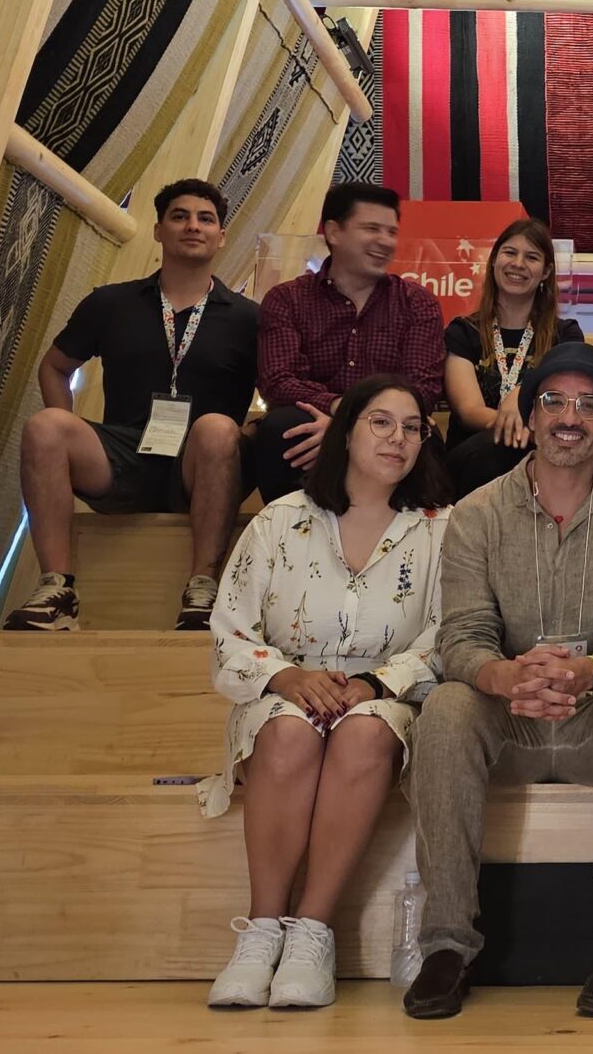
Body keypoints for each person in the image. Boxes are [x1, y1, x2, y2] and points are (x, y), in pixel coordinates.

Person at [403, 343, 593, 1021]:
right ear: (529, 416)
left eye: (589, 405)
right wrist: (504, 675)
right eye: (553, 401)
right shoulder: (476, 513)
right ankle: (446, 945)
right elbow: (461, 636)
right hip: (509, 717)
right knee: (446, 707)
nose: (569, 417)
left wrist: (591, 670)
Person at [200, 376, 454, 1010]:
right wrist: (288, 678)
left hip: (386, 695)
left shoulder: (441, 530)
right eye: (381, 422)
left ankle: (312, 934)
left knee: (364, 732)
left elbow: (449, 634)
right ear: (345, 431)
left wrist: (374, 684)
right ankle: (261, 932)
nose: (398, 438)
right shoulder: (279, 520)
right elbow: (230, 632)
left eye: (413, 427)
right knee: (288, 730)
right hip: (284, 689)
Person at [2, 179, 258, 633]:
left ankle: (202, 588)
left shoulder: (249, 318)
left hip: (202, 467)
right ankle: (57, 589)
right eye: (179, 216)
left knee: (217, 429)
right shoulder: (110, 303)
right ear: (158, 230)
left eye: (205, 219)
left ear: (221, 237)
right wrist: (66, 436)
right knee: (45, 426)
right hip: (123, 456)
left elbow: (278, 390)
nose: (192, 226)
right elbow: (54, 367)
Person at [251, 182, 446, 504]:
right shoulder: (287, 299)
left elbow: (422, 388)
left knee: (424, 438)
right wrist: (337, 409)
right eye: (371, 229)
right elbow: (278, 381)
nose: (385, 241)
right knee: (283, 428)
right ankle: (294, 531)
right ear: (333, 232)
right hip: (314, 422)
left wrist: (354, 423)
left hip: (391, 424)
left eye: (391, 232)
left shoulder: (417, 302)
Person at [442, 218, 585, 495]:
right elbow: (469, 411)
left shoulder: (565, 335)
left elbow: (566, 395)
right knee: (492, 450)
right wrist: (519, 427)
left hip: (544, 452)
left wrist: (521, 393)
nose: (518, 264)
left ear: (546, 272)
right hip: (474, 460)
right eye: (510, 253)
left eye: (531, 257)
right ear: (494, 260)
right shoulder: (463, 331)